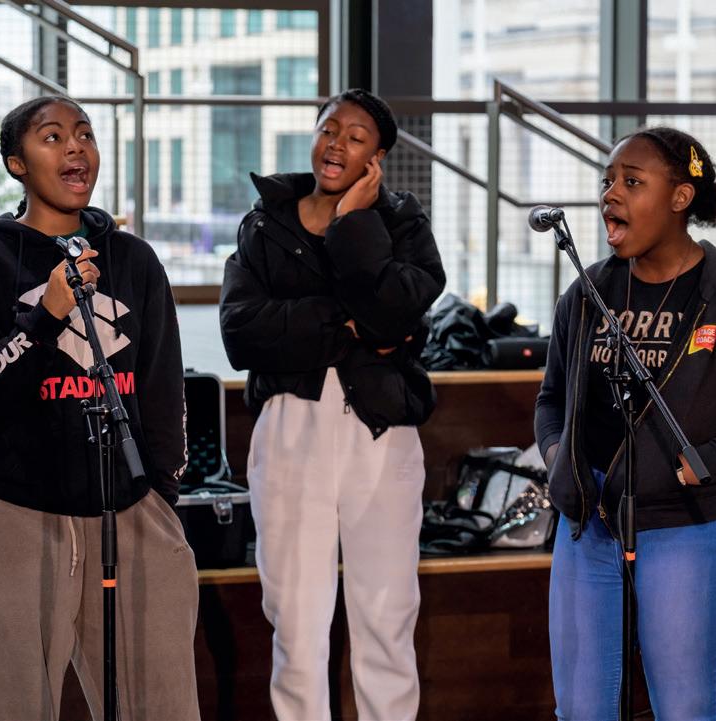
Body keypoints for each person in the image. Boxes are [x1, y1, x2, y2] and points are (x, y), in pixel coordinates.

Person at [0, 95, 199, 721]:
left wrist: (160, 492)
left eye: (85, 134)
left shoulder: (133, 259)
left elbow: (162, 384)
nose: (76, 146)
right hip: (17, 515)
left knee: (163, 704)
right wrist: (45, 315)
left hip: (130, 509)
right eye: (52, 137)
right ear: (16, 163)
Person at [220, 89, 446, 721]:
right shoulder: (265, 223)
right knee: (295, 620)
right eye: (329, 129)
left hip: (381, 429)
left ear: (377, 157)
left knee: (387, 614)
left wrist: (353, 223)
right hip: (291, 427)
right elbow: (240, 332)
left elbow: (396, 316)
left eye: (355, 136)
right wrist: (344, 324)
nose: (336, 144)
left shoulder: (402, 224)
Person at [535, 126, 716, 719]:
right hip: (587, 528)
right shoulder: (587, 292)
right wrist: (558, 456)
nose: (611, 195)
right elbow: (551, 400)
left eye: (631, 181)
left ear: (680, 197)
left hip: (685, 529)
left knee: (683, 709)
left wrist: (710, 462)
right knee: (581, 709)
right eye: (607, 182)